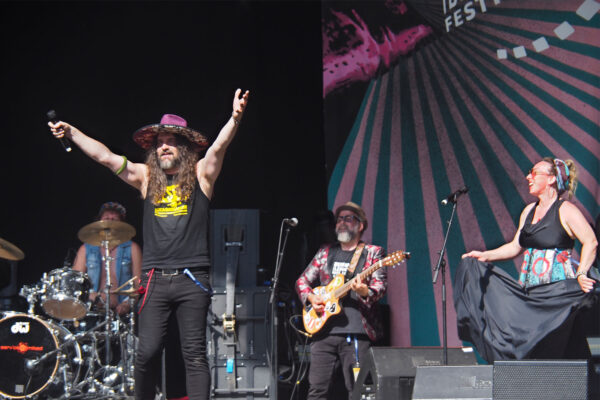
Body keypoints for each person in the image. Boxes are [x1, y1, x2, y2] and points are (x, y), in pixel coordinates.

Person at [49, 88, 250, 400]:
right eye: (159, 143)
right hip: (155, 279)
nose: (164, 147)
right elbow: (105, 157)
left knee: (194, 355)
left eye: (170, 142)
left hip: (192, 278)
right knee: (146, 352)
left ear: (184, 147)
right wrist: (72, 132)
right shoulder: (145, 178)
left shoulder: (201, 175)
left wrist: (235, 119)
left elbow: (218, 148)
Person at [456, 157, 598, 362]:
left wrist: (582, 272)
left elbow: (590, 241)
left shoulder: (565, 210)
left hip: (558, 293)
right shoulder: (528, 211)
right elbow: (515, 246)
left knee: (557, 348)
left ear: (551, 179)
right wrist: (484, 255)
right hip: (531, 290)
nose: (528, 177)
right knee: (530, 347)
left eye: (534, 173)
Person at [295, 201, 387, 400]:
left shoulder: (372, 253)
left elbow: (380, 287)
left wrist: (364, 291)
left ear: (360, 225)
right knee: (316, 390)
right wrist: (311, 297)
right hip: (323, 332)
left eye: (348, 218)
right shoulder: (325, 251)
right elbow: (302, 281)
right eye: (339, 219)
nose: (341, 223)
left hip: (356, 333)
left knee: (359, 391)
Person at [72, 201, 142, 316]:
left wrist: (127, 304)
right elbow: (75, 282)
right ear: (99, 222)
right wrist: (90, 296)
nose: (110, 221)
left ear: (122, 224)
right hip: (92, 311)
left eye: (115, 218)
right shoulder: (85, 249)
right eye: (107, 217)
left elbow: (138, 283)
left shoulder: (132, 248)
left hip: (122, 313)